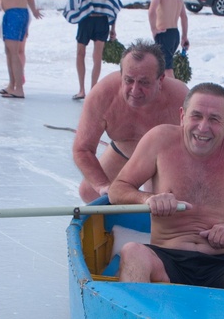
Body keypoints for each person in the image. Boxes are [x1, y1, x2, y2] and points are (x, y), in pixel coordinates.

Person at [109, 82, 224, 298]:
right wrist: (148, 199)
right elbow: (117, 190)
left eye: (214, 119)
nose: (203, 127)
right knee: (133, 252)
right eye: (196, 116)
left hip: (222, 263)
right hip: (167, 258)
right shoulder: (159, 139)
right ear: (182, 115)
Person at [73, 40, 187, 202]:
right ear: (121, 76)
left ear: (160, 80)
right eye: (128, 80)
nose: (135, 90)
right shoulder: (102, 95)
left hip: (163, 157)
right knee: (89, 192)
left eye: (144, 82)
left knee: (162, 203)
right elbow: (82, 149)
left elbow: (200, 148)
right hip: (123, 148)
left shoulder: (180, 98)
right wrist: (102, 186)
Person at [63, 0, 119, 100]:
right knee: (97, 56)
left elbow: (75, 1)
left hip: (86, 20)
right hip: (102, 21)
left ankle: (81, 89)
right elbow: (113, 5)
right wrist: (113, 28)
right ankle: (93, 90)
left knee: (80, 53)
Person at [147, 0, 187, 75]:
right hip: (174, 34)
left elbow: (151, 11)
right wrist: (184, 37)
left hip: (164, 33)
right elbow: (184, 17)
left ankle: (174, 92)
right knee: (163, 67)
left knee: (167, 69)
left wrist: (154, 29)